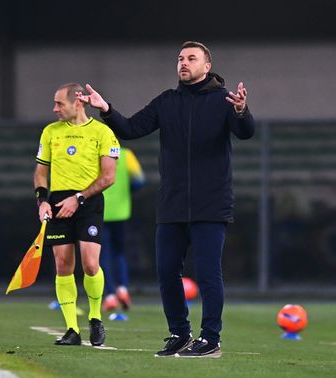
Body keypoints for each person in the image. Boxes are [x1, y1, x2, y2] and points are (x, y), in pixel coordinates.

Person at [78, 41, 255, 358]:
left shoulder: (224, 101)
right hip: (172, 203)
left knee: (207, 273)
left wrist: (242, 110)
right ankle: (180, 333)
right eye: (180, 58)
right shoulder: (166, 101)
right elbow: (131, 128)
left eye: (191, 58)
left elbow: (246, 132)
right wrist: (106, 110)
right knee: (166, 271)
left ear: (206, 65)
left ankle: (210, 338)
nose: (183, 63)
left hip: (210, 204)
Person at [34, 82, 120, 346]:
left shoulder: (103, 132)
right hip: (59, 202)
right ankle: (72, 328)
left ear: (78, 103)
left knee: (91, 264)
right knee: (62, 265)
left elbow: (108, 177)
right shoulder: (50, 132)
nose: (55, 108)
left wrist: (79, 198)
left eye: (60, 103)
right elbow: (40, 171)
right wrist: (42, 201)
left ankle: (95, 318)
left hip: (88, 201)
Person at [101, 147, 145, 312]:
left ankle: (110, 295)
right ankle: (123, 289)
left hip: (100, 211)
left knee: (102, 254)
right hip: (121, 210)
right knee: (119, 252)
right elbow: (139, 180)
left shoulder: (95, 153)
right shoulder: (126, 155)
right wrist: (126, 191)